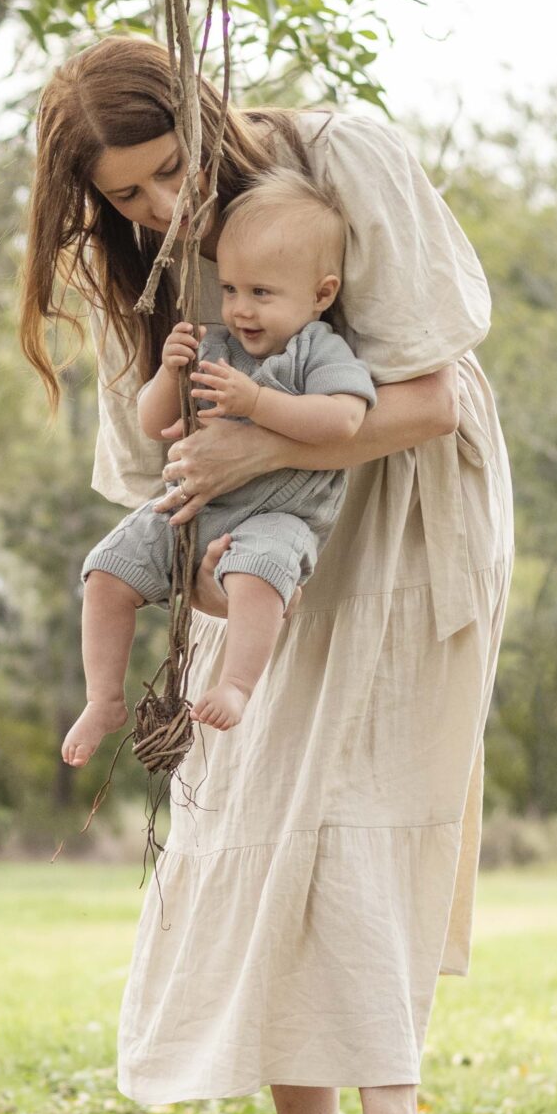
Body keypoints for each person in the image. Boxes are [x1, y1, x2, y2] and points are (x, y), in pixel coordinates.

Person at [21, 36, 514, 1114]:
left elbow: (434, 395)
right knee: (261, 816)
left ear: (210, 115)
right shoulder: (144, 267)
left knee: (358, 814)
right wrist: (209, 489)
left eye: (169, 170)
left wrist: (266, 442)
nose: (161, 205)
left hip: (395, 521)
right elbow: (144, 461)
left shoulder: (339, 161)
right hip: (250, 551)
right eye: (126, 195)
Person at [65, 171, 377, 762]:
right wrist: (167, 374)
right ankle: (103, 697)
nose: (240, 309)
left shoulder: (318, 350)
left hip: (279, 516)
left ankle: (237, 683)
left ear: (321, 293)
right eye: (231, 289)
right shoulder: (217, 345)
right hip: (193, 504)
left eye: (262, 293)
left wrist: (256, 403)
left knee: (258, 571)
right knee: (104, 571)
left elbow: (344, 422)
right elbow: (156, 423)